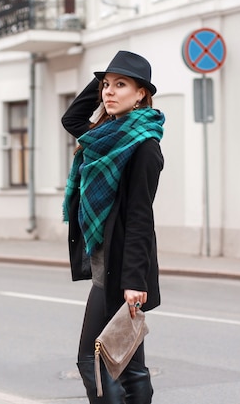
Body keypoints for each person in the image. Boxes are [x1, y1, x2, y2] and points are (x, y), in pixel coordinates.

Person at [62, 50, 165, 404]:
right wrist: (102, 78)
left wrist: (135, 281)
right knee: (128, 366)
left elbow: (140, 217)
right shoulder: (101, 134)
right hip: (106, 268)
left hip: (122, 273)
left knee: (93, 362)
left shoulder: (144, 147)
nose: (109, 91)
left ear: (141, 94)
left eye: (120, 85)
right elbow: (70, 116)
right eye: (106, 85)